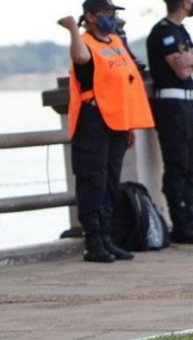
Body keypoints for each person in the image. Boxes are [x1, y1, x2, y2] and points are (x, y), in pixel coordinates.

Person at [58, 0, 154, 263]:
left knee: (111, 179)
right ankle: (94, 241)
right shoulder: (85, 42)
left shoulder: (115, 42)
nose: (111, 18)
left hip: (117, 121)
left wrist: (130, 125)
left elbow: (127, 84)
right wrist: (72, 30)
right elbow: (79, 59)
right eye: (106, 13)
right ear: (90, 16)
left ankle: (108, 237)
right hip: (93, 119)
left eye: (113, 13)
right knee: (93, 179)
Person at [146, 0, 193, 244]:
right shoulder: (163, 31)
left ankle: (192, 220)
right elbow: (181, 71)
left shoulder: (181, 31)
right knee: (178, 165)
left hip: (188, 104)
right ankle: (180, 224)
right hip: (171, 105)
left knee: (191, 165)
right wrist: (192, 59)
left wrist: (191, 59)